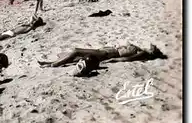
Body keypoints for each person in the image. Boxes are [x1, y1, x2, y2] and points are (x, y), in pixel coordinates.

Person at [38, 43, 167, 68]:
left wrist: (113, 61)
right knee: (75, 57)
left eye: (153, 48)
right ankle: (50, 63)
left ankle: (53, 64)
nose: (152, 46)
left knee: (76, 51)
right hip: (103, 51)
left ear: (152, 53)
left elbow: (127, 58)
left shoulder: (142, 53)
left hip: (106, 54)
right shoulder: (140, 49)